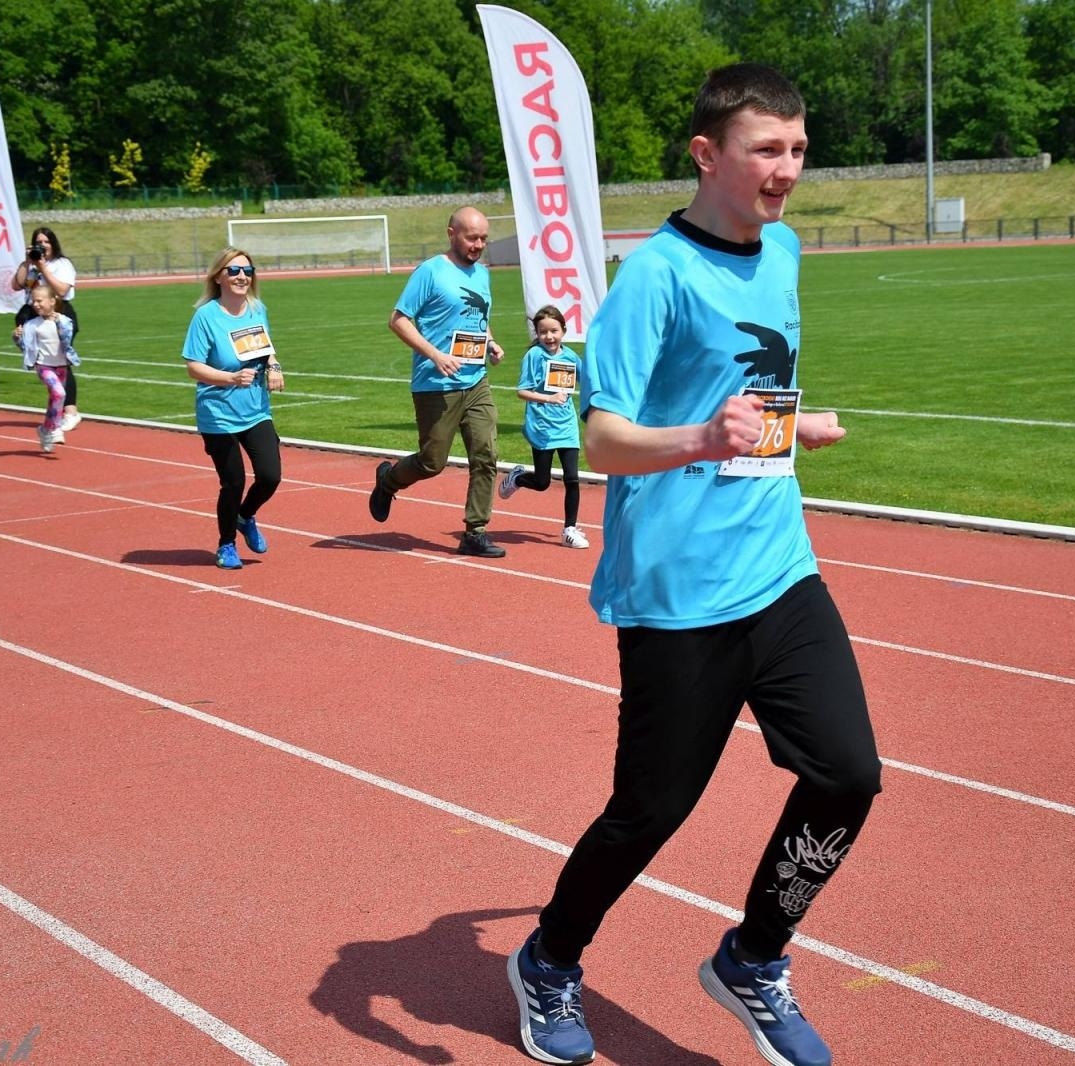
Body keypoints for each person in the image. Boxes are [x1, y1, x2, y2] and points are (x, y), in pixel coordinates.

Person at [505, 64, 882, 1066]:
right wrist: (702, 442)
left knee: (848, 774)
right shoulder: (654, 278)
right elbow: (601, 441)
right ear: (707, 154)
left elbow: (747, 396)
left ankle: (754, 958)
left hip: (779, 567)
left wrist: (796, 432)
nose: (787, 170)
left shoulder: (785, 251)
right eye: (767, 149)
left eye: (798, 149)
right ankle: (547, 961)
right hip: (677, 598)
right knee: (649, 813)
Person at [370, 206, 507, 558]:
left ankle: (475, 530)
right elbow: (398, 320)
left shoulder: (483, 274)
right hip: (436, 384)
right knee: (432, 462)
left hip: (476, 382)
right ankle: (388, 480)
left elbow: (478, 318)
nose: (478, 245)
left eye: (483, 239)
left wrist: (490, 342)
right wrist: (435, 354)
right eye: (471, 237)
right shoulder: (430, 272)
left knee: (486, 454)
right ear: (451, 234)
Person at [181, 248, 285, 570]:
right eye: (234, 270)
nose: (242, 276)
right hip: (218, 415)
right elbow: (194, 367)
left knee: (270, 475)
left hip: (255, 410)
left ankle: (245, 515)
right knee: (234, 482)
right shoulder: (205, 317)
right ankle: (226, 544)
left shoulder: (257, 309)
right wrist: (230, 378)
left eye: (247, 270)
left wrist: (275, 365)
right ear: (218, 276)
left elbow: (265, 349)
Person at [497, 305, 589, 549]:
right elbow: (522, 391)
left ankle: (569, 529)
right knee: (542, 482)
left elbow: (588, 379)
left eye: (554, 331)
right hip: (542, 426)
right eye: (543, 332)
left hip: (567, 425)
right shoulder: (534, 357)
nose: (549, 337)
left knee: (572, 477)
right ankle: (517, 478)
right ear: (536, 334)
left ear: (564, 331)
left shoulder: (570, 357)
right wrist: (548, 398)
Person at [11, 226, 82, 433]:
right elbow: (16, 285)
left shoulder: (62, 264)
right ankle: (58, 411)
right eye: (38, 243)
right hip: (35, 316)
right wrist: (27, 262)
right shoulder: (31, 265)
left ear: (53, 244)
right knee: (44, 363)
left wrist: (43, 267)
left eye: (45, 242)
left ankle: (70, 411)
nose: (41, 246)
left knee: (61, 360)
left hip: (59, 315)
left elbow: (61, 290)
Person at [18, 283, 80, 452]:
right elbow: (26, 347)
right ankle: (55, 428)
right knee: (59, 393)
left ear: (52, 301)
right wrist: (17, 338)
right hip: (44, 366)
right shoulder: (32, 324)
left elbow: (67, 336)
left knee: (55, 399)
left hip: (61, 366)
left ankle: (45, 429)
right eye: (33, 301)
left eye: (39, 301)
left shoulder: (65, 321)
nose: (36, 304)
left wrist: (58, 322)